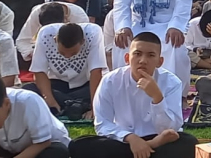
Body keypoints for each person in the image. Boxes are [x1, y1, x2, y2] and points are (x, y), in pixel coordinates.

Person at [68, 32, 198, 158]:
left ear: (160, 61)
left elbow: (170, 129)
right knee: (79, 145)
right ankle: (150, 146)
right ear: (127, 58)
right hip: (123, 140)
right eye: (137, 54)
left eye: (150, 55)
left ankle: (146, 147)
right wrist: (131, 138)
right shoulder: (110, 81)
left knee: (189, 144)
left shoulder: (172, 82)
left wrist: (157, 98)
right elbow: (102, 124)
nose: (143, 61)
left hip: (158, 138)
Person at [24, 22, 107, 119]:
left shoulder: (93, 33)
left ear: (83, 42)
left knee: (106, 89)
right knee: (28, 90)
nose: (67, 56)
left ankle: (69, 106)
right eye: (62, 53)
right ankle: (76, 106)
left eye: (73, 53)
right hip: (57, 88)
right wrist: (50, 100)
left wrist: (95, 107)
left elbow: (96, 72)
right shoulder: (45, 34)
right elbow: (39, 72)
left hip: (85, 87)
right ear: (55, 40)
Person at [0, 82, 71, 158]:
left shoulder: (28, 101)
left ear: (7, 103)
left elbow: (43, 143)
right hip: (11, 149)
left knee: (56, 152)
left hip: (45, 146)